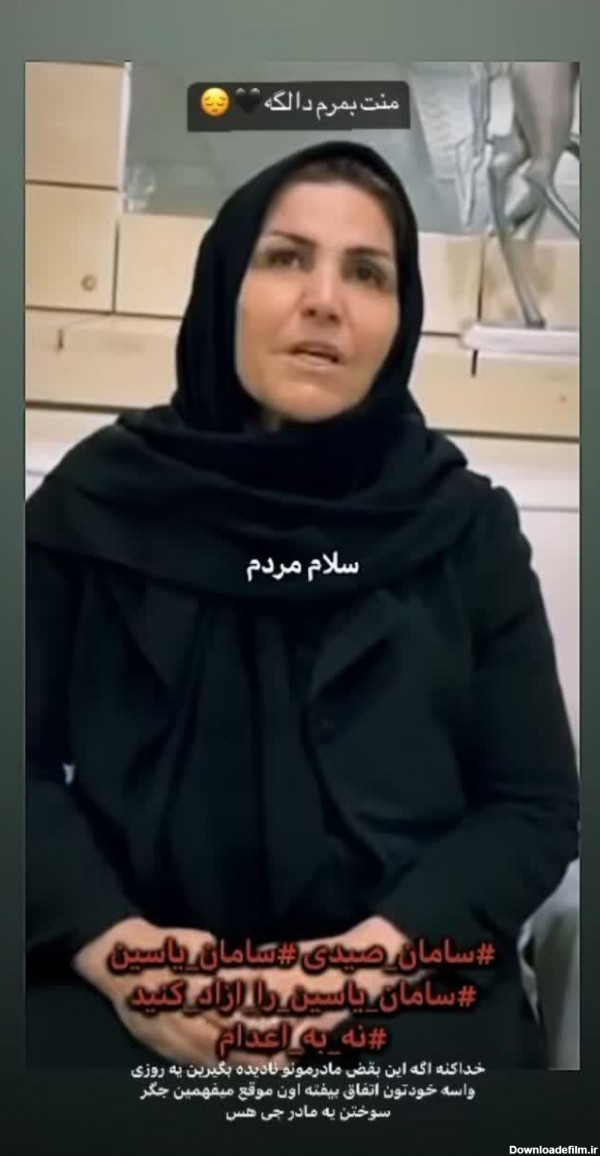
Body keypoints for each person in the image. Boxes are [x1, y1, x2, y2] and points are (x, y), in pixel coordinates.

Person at [26, 140, 579, 1072]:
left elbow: (532, 806)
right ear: (224, 287)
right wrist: (123, 956)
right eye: (286, 258)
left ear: (400, 318)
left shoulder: (463, 527)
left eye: (368, 273)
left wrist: (356, 969)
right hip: (127, 977)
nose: (325, 300)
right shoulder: (94, 507)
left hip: (402, 981)